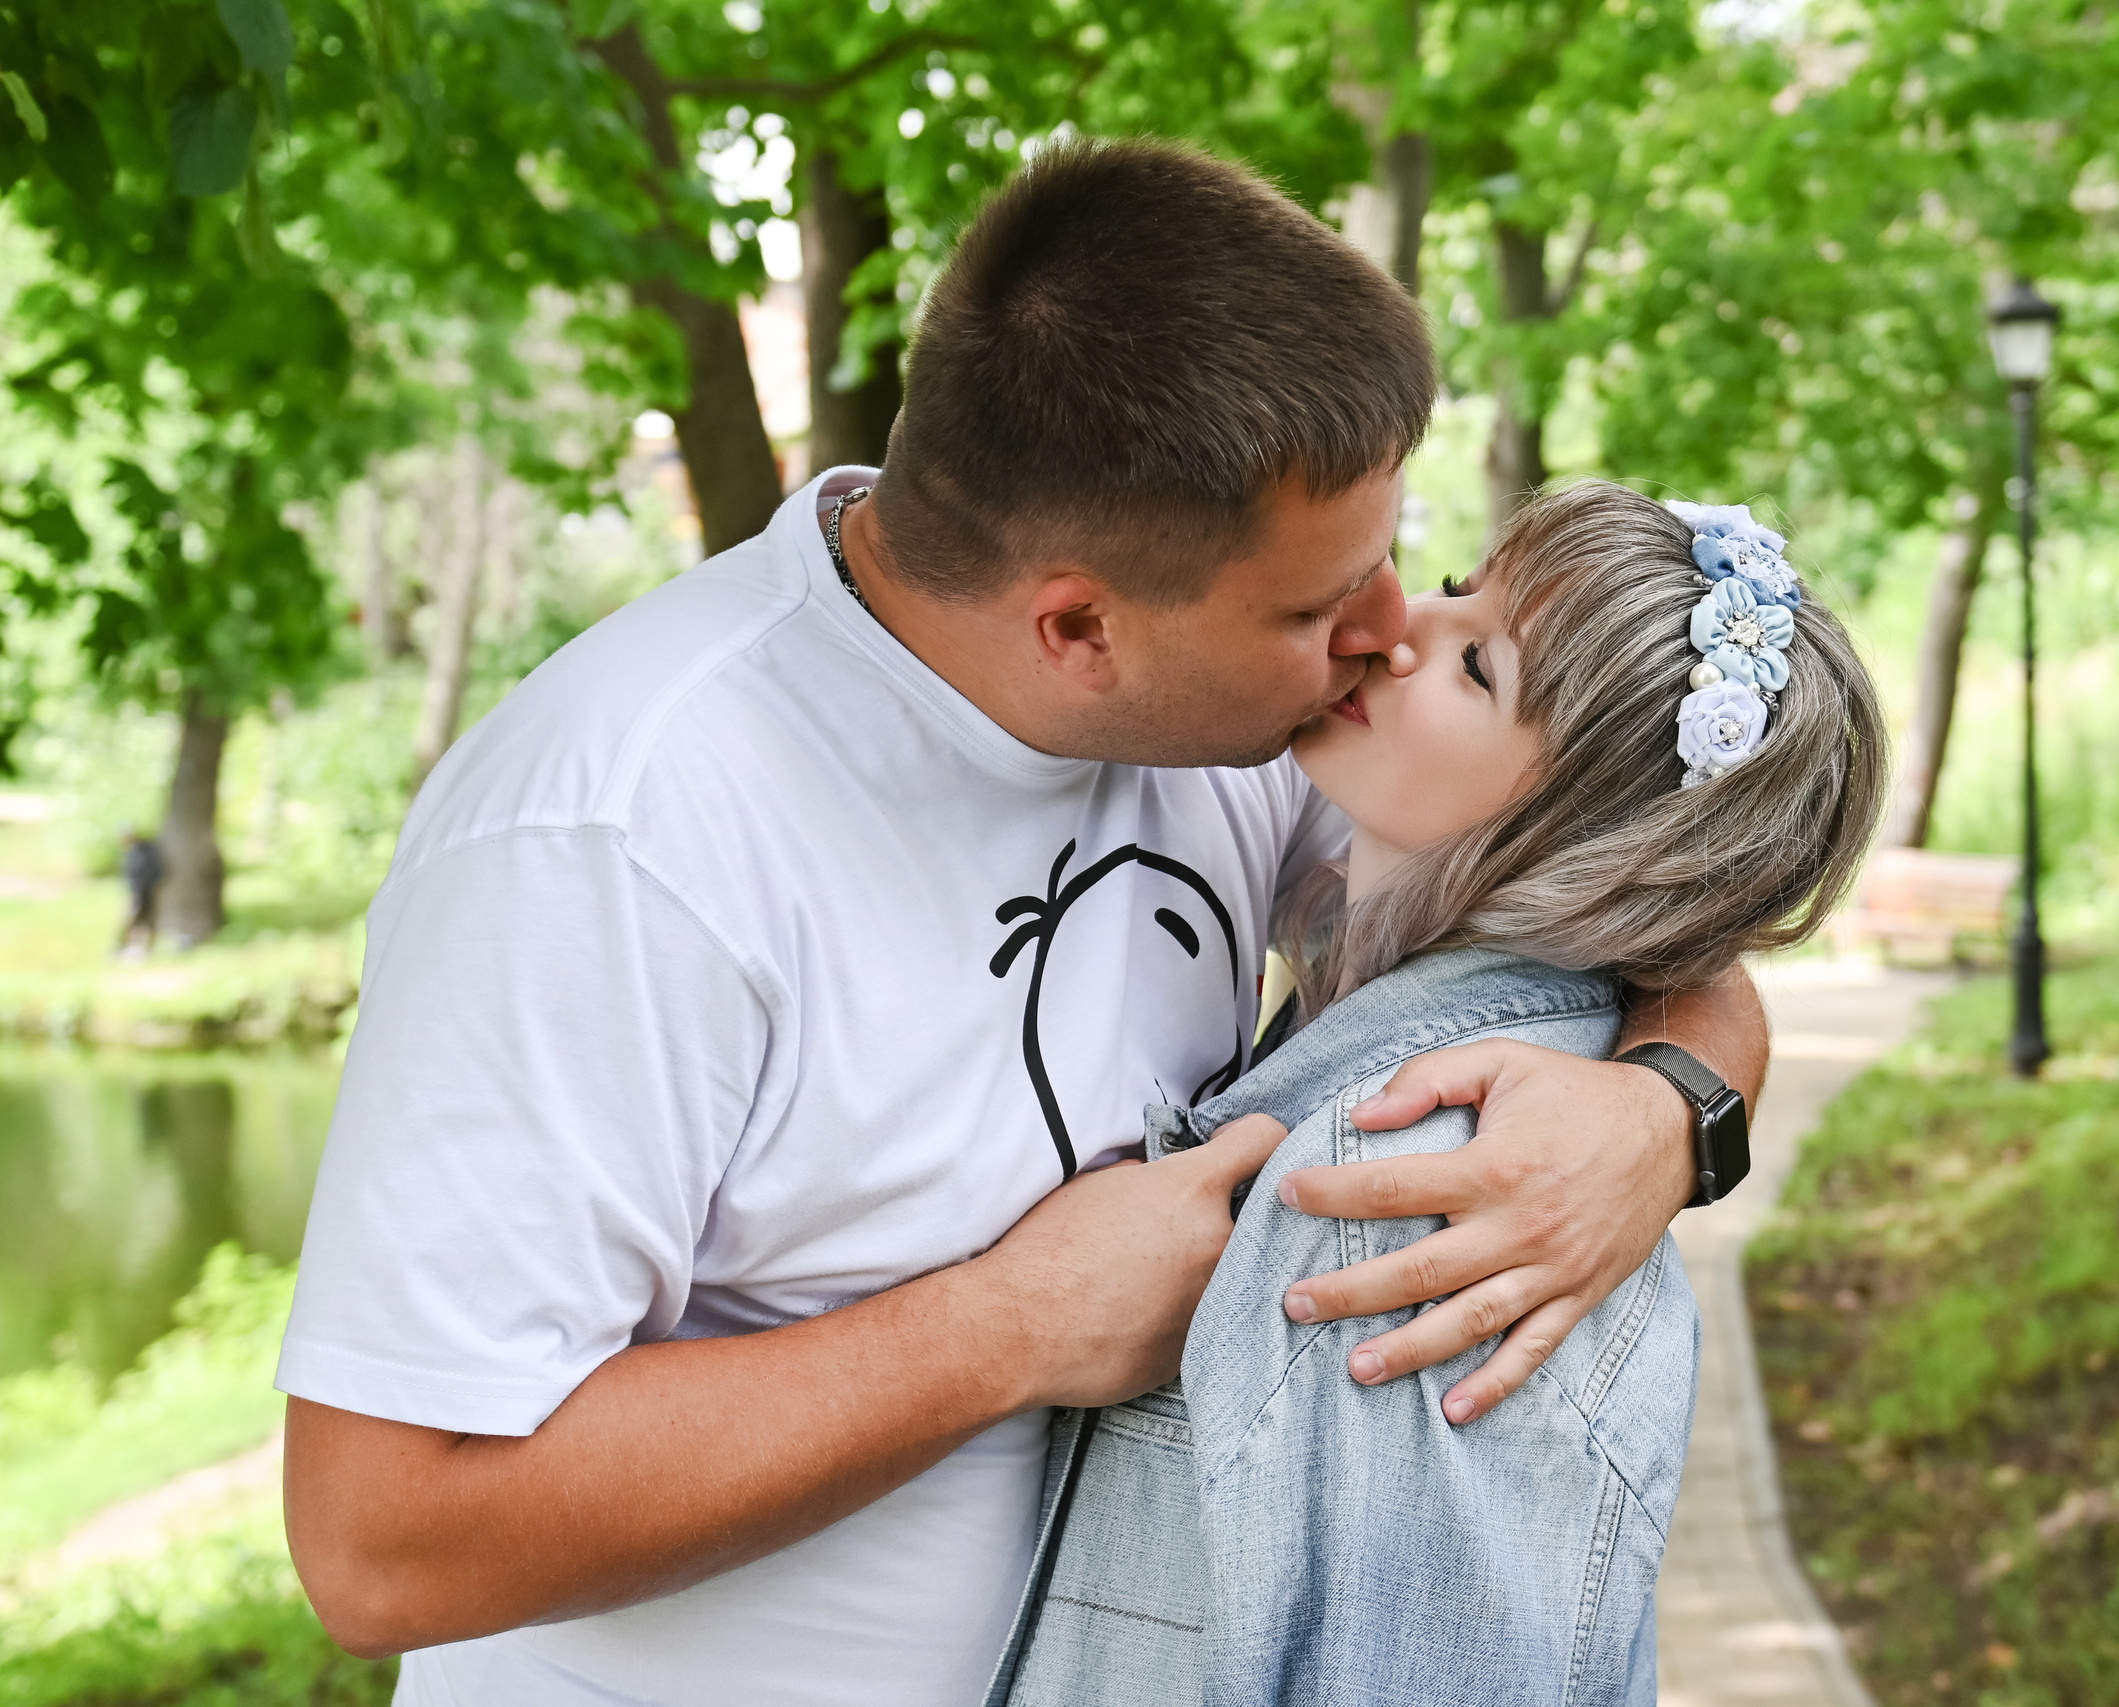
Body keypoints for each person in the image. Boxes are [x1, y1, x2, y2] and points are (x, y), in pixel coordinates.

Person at [277, 141, 1771, 1707]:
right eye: (1320, 606)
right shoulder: (622, 832)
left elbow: (1618, 905)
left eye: (1392, 559)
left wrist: (1669, 1112)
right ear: (1077, 627)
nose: (1390, 634)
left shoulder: (1247, 716)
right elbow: (386, 1535)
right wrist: (1014, 1323)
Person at [988, 485, 1885, 1706]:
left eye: (1479, 667)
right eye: (1460, 581)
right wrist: (1673, 1102)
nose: (1402, 621)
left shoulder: (1419, 1179)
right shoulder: (1387, 1007)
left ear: (1582, 831)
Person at [116, 825, 163, 958]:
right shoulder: (131, 853)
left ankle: (142, 947)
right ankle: (127, 945)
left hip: (145, 891)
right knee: (131, 918)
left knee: (141, 918)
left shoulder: (145, 852)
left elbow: (155, 872)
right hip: (134, 891)